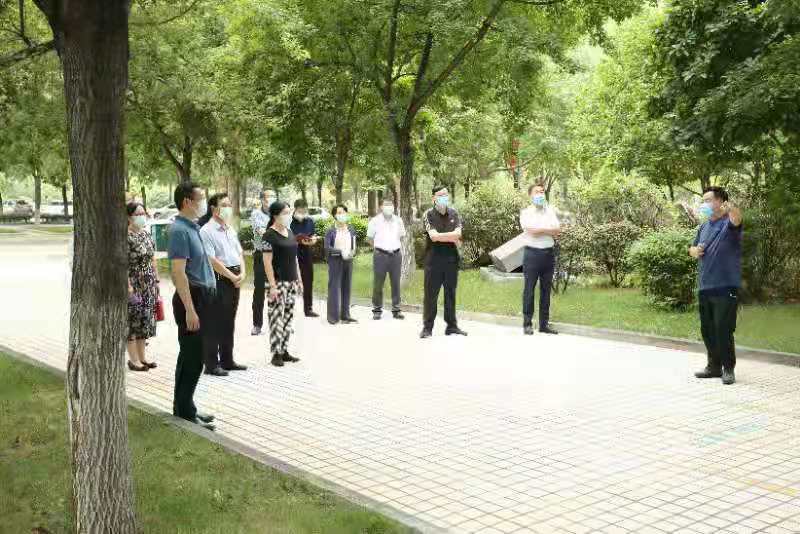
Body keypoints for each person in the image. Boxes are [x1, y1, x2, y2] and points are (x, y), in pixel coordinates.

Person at [168, 181, 217, 431]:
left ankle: (184, 407)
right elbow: (178, 273)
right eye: (201, 198)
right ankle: (186, 413)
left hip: (202, 298)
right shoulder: (179, 230)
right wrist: (190, 309)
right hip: (192, 299)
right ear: (187, 201)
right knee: (193, 359)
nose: (203, 203)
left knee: (190, 356)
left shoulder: (192, 227)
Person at [689, 186, 743, 385]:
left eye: (708, 200)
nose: (704, 204)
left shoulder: (729, 223)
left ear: (720, 201)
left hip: (725, 286)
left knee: (723, 328)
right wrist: (695, 251)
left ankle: (728, 369)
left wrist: (731, 208)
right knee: (708, 329)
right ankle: (713, 367)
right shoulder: (703, 227)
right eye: (703, 200)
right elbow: (692, 249)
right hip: (705, 286)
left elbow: (737, 218)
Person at [200, 193, 248, 377]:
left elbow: (239, 253)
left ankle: (227, 360)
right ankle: (211, 364)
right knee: (215, 322)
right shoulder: (206, 231)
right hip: (220, 279)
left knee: (229, 320)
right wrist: (231, 276)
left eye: (229, 204)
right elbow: (212, 260)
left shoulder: (230, 229)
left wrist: (242, 273)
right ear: (214, 208)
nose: (228, 208)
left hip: (235, 277)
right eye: (224, 204)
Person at [420, 186, 467, 339]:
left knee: (450, 294)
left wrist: (443, 236)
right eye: (440, 195)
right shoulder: (428, 214)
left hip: (451, 260)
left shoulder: (454, 213)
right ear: (433, 198)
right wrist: (450, 236)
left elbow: (458, 235)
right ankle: (427, 328)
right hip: (433, 261)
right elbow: (433, 237)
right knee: (430, 295)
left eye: (446, 194)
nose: (444, 197)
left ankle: (451, 326)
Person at [262, 201, 303, 367]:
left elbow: (294, 259)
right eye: (285, 212)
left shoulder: (290, 232)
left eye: (289, 212)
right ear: (275, 215)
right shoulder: (268, 236)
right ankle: (276, 353)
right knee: (276, 318)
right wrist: (272, 286)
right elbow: (267, 263)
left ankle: (284, 350)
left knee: (287, 317)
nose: (288, 215)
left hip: (291, 281)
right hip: (277, 283)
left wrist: (299, 280)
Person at [519, 183, 561, 336]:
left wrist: (542, 229)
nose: (540, 194)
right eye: (537, 192)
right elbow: (532, 231)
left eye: (542, 192)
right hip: (532, 255)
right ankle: (527, 324)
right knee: (529, 290)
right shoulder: (526, 213)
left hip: (548, 255)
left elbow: (557, 231)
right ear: (530, 195)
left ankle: (544, 324)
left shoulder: (550, 211)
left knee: (546, 291)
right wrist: (547, 229)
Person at [126, 201, 159, 372]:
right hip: (134, 284)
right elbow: (122, 264)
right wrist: (128, 287)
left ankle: (142, 357)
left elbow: (152, 258)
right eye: (137, 214)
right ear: (129, 217)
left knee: (145, 321)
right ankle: (133, 360)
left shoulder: (146, 234)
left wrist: (156, 280)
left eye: (143, 213)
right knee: (133, 322)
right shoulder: (126, 237)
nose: (141, 217)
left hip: (148, 284)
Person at [367, 197, 406, 321]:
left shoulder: (398, 220)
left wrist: (393, 246)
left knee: (396, 283)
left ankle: (396, 310)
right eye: (386, 204)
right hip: (380, 255)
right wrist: (379, 248)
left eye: (391, 204)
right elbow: (369, 238)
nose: (389, 207)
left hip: (396, 255)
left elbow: (402, 236)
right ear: (381, 207)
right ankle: (377, 310)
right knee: (378, 284)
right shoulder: (375, 221)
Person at [251, 189, 278, 335]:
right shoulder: (256, 214)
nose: (272, 199)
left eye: (273, 196)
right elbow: (262, 233)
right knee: (260, 290)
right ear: (262, 199)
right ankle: (257, 324)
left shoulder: (278, 213)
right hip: (261, 254)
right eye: (269, 197)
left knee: (276, 287)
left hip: (277, 256)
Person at [325, 205, 358, 325]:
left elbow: (354, 245)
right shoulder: (331, 231)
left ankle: (345, 315)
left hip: (348, 261)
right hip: (335, 261)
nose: (342, 214)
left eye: (344, 212)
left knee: (346, 287)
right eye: (339, 212)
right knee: (334, 288)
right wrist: (340, 252)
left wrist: (352, 252)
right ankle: (332, 317)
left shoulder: (351, 229)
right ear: (334, 215)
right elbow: (327, 248)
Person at [290, 198, 319, 317]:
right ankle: (287, 308)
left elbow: (313, 235)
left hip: (306, 254)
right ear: (295, 209)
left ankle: (308, 309)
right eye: (300, 211)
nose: (302, 213)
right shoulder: (288, 221)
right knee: (289, 281)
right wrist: (296, 239)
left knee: (308, 281)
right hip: (291, 254)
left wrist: (313, 240)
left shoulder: (310, 221)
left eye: (304, 210)